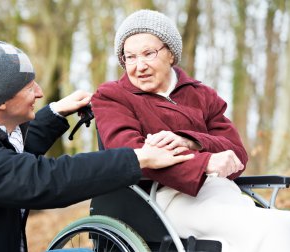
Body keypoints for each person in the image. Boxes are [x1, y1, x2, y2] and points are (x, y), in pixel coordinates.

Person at [0, 39, 195, 252]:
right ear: (1, 101)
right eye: (29, 88)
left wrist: (57, 112)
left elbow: (11, 157)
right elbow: (40, 179)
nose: (40, 92)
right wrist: (136, 159)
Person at [91, 9, 290, 252]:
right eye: (129, 57)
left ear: (171, 54)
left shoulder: (201, 94)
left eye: (148, 54)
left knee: (276, 227)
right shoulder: (113, 96)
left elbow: (236, 152)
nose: (139, 65)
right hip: (160, 199)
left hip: (221, 191)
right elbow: (130, 154)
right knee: (273, 229)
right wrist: (204, 162)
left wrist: (191, 141)